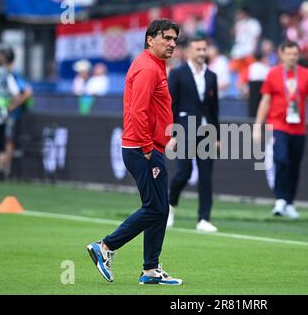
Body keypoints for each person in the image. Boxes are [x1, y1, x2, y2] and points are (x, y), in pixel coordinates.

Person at [86, 19, 183, 285]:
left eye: (175, 39)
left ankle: (151, 270)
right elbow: (138, 111)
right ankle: (105, 246)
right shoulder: (147, 68)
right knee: (155, 208)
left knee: (159, 208)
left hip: (149, 146)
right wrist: (148, 147)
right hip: (143, 149)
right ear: (150, 39)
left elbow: (151, 109)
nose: (172, 43)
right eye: (167, 38)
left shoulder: (154, 65)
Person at [253, 41, 308, 218]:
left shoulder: (306, 74)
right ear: (281, 54)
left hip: (298, 128)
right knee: (281, 159)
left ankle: (289, 201)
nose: (292, 57)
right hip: (277, 125)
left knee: (294, 165)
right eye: (289, 53)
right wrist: (258, 125)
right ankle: (280, 199)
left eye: (295, 53)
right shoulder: (273, 73)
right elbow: (265, 101)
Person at [167, 37, 220, 232]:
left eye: (204, 49)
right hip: (183, 130)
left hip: (206, 132)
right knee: (183, 172)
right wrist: (172, 133)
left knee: (206, 177)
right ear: (189, 51)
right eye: (197, 49)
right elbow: (170, 104)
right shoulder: (178, 73)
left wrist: (218, 136)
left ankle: (204, 219)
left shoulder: (212, 76)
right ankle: (170, 206)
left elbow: (214, 108)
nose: (201, 53)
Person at [0, 47, 33, 179]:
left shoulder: (13, 74)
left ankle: (5, 171)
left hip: (10, 115)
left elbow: (27, 91)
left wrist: (12, 106)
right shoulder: (2, 73)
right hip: (0, 115)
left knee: (7, 141)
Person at [0, 49, 20, 181]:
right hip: (3, 116)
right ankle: (0, 174)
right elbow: (16, 93)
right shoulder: (7, 75)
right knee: (1, 146)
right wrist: (10, 106)